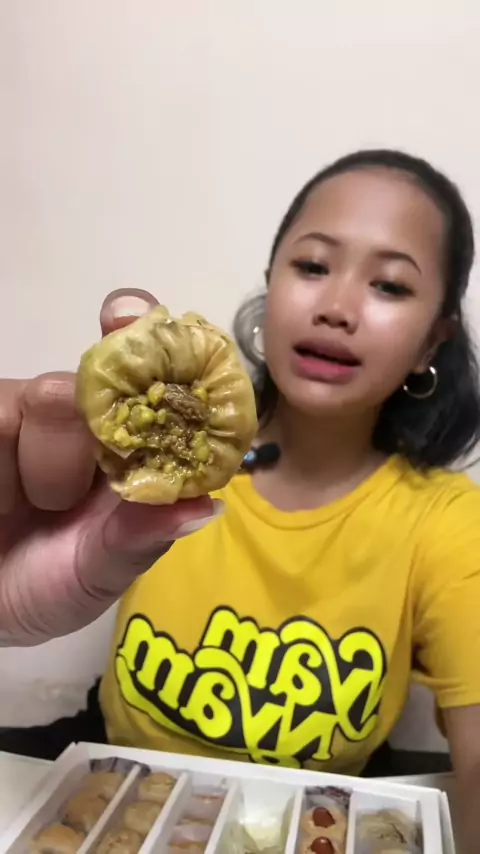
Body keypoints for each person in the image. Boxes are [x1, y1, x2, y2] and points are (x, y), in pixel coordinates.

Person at [2, 149, 480, 853]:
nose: (337, 307)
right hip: (98, 792)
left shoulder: (446, 522)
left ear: (431, 340)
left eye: (389, 284)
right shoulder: (146, 463)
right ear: (271, 285)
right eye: (312, 266)